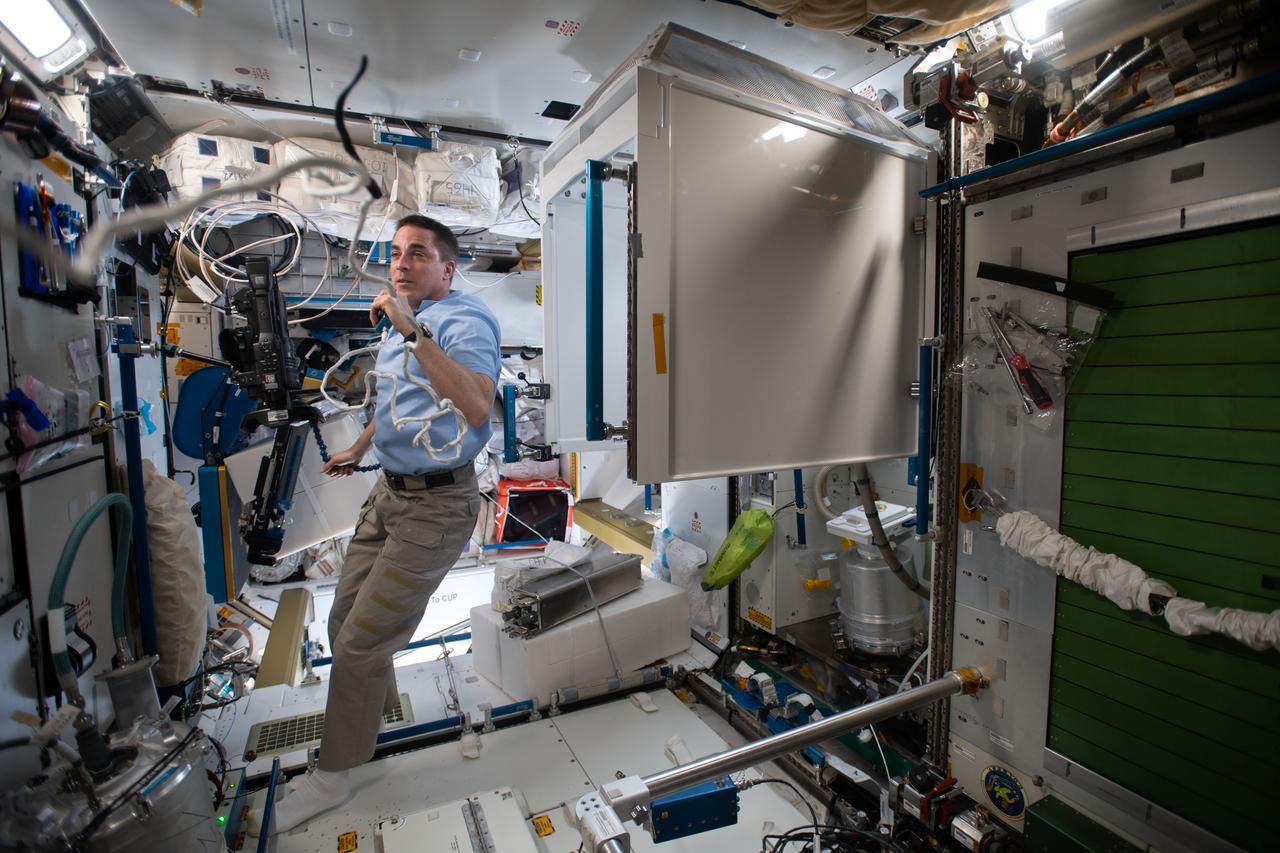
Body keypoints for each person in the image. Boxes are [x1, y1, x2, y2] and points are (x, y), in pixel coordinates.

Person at [257, 214, 500, 834]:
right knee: (342, 621)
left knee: (361, 642)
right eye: (396, 253)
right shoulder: (404, 326)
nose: (401, 263)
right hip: (389, 496)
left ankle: (334, 775)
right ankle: (367, 707)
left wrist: (410, 328)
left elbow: (474, 404)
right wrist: (361, 446)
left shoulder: (461, 322)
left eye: (418, 254)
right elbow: (398, 399)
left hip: (437, 507)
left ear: (448, 267)